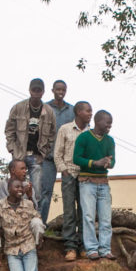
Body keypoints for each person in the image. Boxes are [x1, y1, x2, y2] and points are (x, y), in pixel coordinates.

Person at [73, 109, 117, 261]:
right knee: (88, 216)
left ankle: (105, 248)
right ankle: (91, 248)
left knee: (106, 218)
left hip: (103, 182)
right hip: (87, 182)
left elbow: (113, 162)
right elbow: (76, 159)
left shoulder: (110, 140)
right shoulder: (84, 138)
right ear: (98, 121)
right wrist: (94, 163)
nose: (109, 126)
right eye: (107, 123)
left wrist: (108, 163)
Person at [0, 159, 43, 268]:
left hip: (24, 220)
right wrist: (20, 193)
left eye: (26, 169)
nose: (25, 171)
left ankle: (36, 249)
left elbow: (34, 210)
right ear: (13, 170)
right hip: (5, 218)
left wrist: (29, 195)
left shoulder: (28, 186)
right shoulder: (2, 184)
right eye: (22, 169)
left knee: (37, 222)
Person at [53, 100, 90, 262]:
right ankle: (70, 246)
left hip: (85, 177)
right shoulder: (65, 129)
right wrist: (64, 170)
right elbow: (57, 153)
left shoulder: (91, 132)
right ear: (78, 112)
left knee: (84, 211)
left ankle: (83, 245)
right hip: (69, 174)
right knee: (69, 211)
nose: (90, 114)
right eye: (88, 111)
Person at [4, 79, 56, 196]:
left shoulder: (48, 111)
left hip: (37, 156)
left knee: (36, 191)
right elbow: (9, 129)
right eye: (34, 90)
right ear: (29, 90)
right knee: (15, 188)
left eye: (39, 90)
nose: (36, 93)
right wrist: (12, 148)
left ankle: (33, 212)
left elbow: (52, 134)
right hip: (19, 154)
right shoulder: (18, 108)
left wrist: (45, 151)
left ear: (43, 92)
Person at [38, 80, 73, 223]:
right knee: (44, 193)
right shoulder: (44, 108)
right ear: (52, 90)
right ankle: (40, 224)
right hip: (48, 157)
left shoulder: (72, 110)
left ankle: (68, 227)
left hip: (67, 159)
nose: (61, 92)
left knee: (69, 195)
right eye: (58, 89)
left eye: (63, 90)